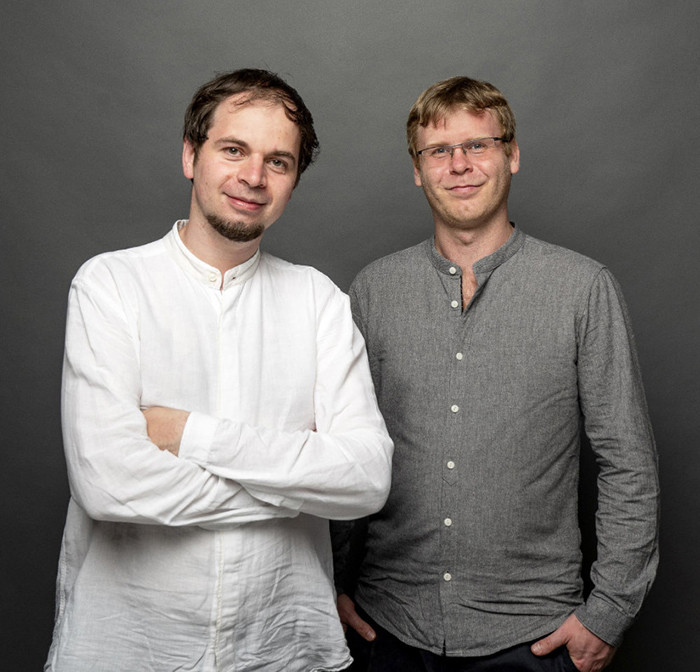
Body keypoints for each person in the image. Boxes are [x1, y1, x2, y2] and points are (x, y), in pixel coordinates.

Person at [45, 68, 393, 672]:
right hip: (128, 647)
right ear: (191, 155)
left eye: (278, 162)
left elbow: (365, 478)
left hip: (284, 647)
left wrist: (186, 434)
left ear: (293, 181)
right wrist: (297, 489)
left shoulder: (319, 301)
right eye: (234, 150)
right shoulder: (110, 285)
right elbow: (106, 483)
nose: (253, 177)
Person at [332, 76, 659, 672]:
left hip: (533, 636)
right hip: (389, 629)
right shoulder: (373, 291)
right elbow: (342, 452)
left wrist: (609, 610)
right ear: (417, 169)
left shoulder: (583, 288)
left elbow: (627, 462)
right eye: (439, 150)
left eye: (477, 145)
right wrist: (327, 585)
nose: (459, 165)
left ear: (512, 155)